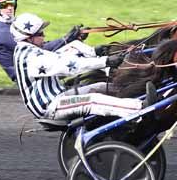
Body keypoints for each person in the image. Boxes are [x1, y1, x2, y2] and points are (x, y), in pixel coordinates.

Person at [10, 12, 144, 122]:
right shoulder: (31, 57)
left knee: (101, 86)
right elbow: (69, 65)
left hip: (59, 97)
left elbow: (66, 52)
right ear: (28, 38)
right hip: (50, 107)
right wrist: (105, 61)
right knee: (93, 100)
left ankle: (136, 97)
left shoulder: (29, 49)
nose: (44, 35)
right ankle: (140, 108)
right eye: (40, 34)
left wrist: (94, 52)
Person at [0, 0, 87, 82]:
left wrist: (72, 39)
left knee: (75, 50)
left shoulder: (8, 26)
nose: (10, 7)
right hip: (29, 75)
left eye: (12, 3)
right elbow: (38, 50)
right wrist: (66, 40)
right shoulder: (1, 32)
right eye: (4, 5)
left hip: (33, 67)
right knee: (78, 55)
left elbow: (39, 45)